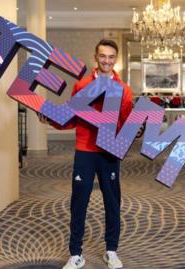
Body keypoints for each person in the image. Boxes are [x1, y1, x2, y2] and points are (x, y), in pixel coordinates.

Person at [40, 39, 132, 269]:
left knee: (112, 202)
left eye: (111, 57)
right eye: (103, 56)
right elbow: (71, 117)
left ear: (116, 59)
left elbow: (126, 123)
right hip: (85, 150)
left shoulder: (124, 89)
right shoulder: (82, 85)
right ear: (96, 57)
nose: (107, 60)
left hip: (110, 152)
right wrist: (51, 117)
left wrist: (136, 129)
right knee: (79, 201)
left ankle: (111, 250)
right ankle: (75, 253)